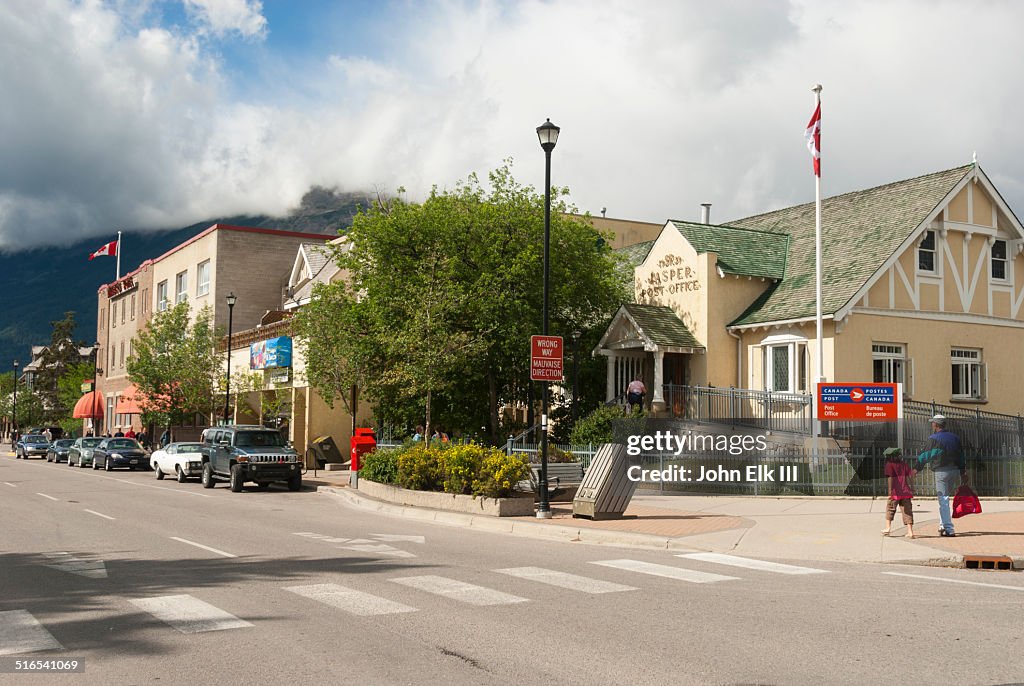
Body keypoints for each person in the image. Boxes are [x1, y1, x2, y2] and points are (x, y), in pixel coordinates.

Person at [916, 414, 968, 537]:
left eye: (932, 423)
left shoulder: (933, 438)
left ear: (936, 424)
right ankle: (942, 525)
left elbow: (925, 455)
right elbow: (961, 455)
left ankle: (949, 529)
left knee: (943, 500)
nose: (931, 425)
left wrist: (916, 468)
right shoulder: (955, 438)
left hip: (941, 472)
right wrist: (963, 471)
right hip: (954, 471)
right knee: (945, 500)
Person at [881, 447, 915, 538]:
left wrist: (890, 491)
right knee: (907, 511)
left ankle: (888, 528)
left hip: (895, 492)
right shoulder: (904, 464)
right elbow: (910, 476)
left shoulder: (889, 465)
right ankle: (910, 531)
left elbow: (890, 478)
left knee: (890, 509)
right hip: (906, 492)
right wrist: (912, 488)